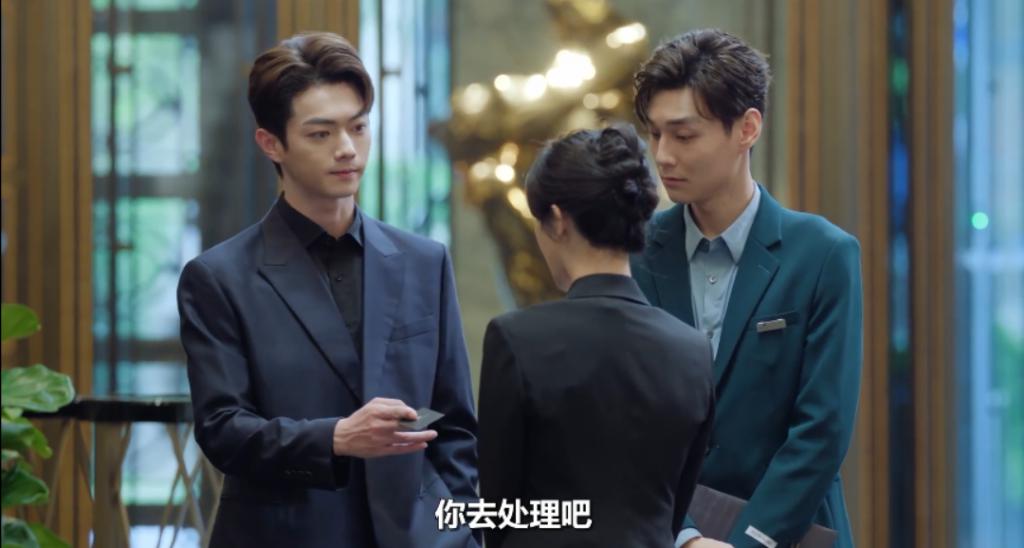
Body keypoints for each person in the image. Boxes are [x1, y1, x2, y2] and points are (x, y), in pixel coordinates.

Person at [177, 32, 478, 548]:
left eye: (358, 127)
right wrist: (336, 439)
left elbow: (455, 426)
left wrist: (458, 526)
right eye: (321, 133)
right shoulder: (219, 277)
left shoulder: (424, 262)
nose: (347, 149)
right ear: (271, 143)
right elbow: (223, 430)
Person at [630, 29, 863, 548]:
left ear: (747, 128)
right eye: (655, 134)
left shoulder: (823, 255)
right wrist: (687, 536)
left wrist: (748, 542)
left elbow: (821, 430)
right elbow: (628, 419)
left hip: (789, 534)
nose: (663, 156)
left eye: (684, 136)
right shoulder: (636, 254)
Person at [478, 125, 716, 547]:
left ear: (557, 220)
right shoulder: (692, 350)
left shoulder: (516, 339)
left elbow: (498, 510)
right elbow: (674, 509)